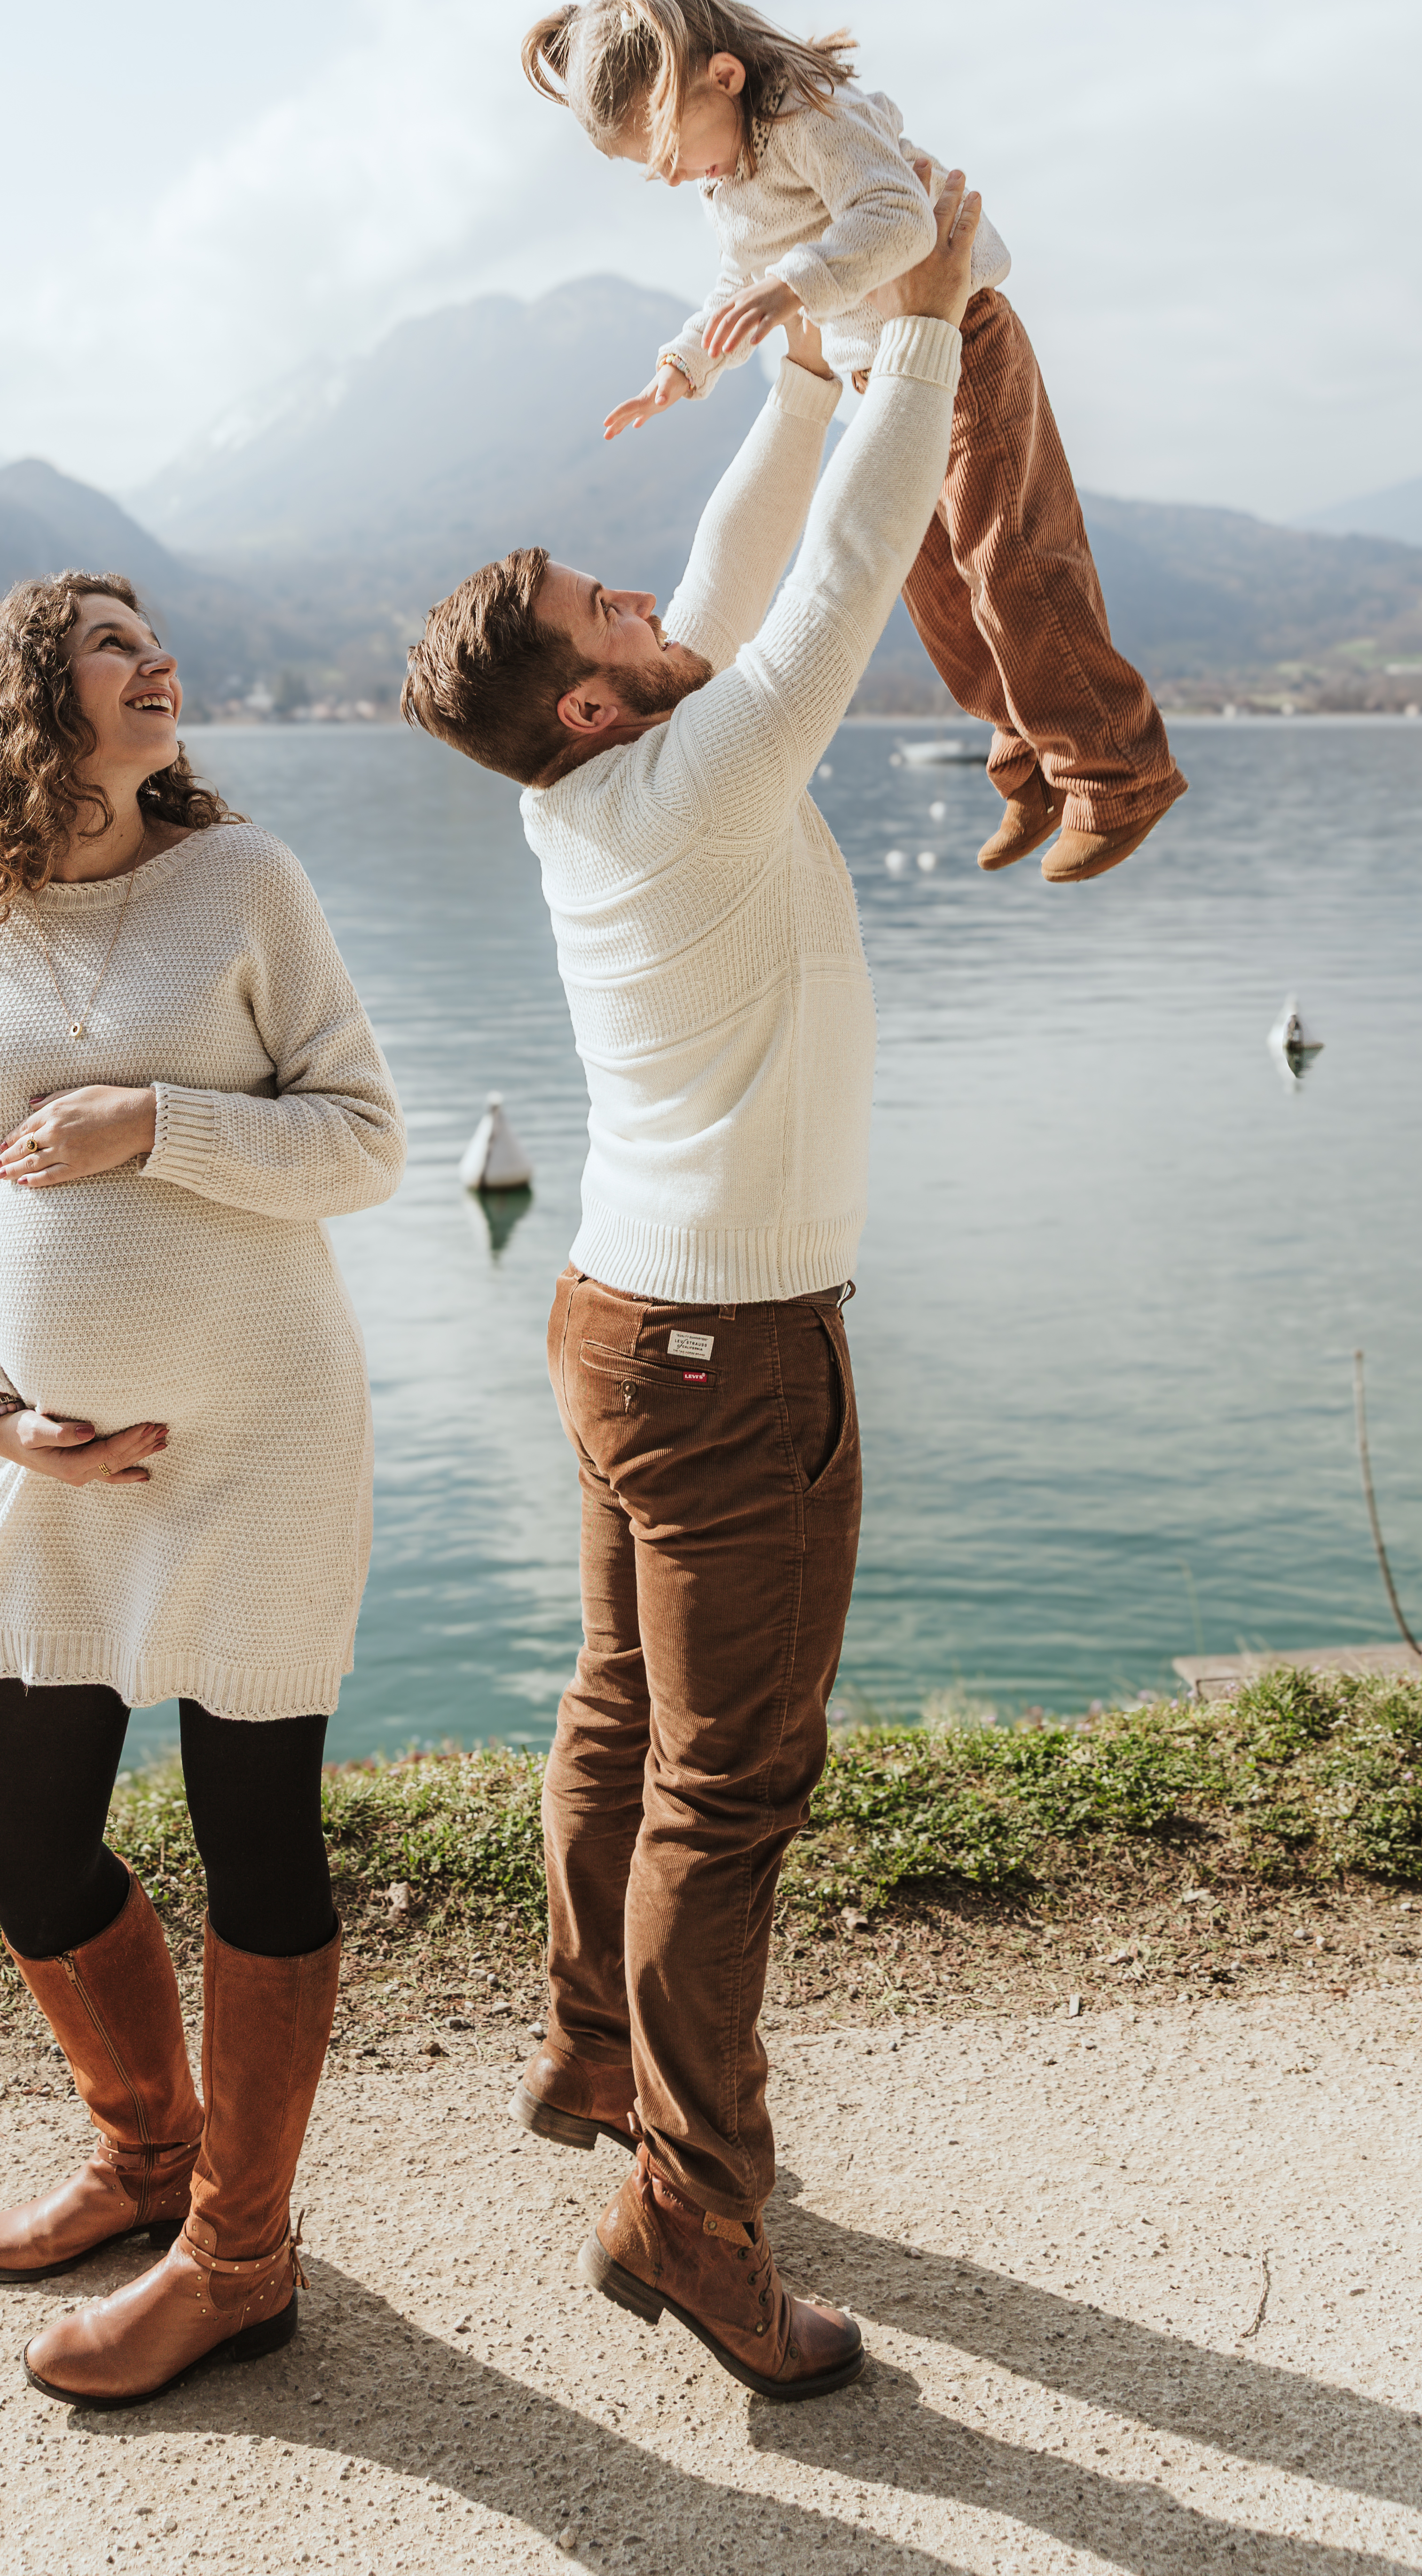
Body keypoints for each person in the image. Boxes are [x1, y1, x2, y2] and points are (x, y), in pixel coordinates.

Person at [400, 178, 986, 2405]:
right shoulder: (700, 775)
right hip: (732, 1351)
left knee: (615, 1715)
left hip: (617, 1319)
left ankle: (581, 2057)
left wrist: (801, 345)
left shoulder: (614, 774)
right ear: (583, 682)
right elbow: (841, 571)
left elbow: (744, 553)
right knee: (719, 1791)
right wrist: (910, 330)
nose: (643, 590)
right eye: (599, 596)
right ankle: (693, 2214)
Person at [0, 572, 404, 2407]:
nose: (154, 656)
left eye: (152, 634)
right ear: (31, 696)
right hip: (60, 1471)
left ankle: (239, 2261)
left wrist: (148, 1124)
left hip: (261, 1437)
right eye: (108, 640)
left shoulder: (244, 884)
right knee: (5, 1833)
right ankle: (144, 2151)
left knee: (254, 1833)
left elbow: (363, 1143)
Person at [523, 0, 1185, 881]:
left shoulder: (805, 116)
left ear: (724, 76)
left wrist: (794, 285)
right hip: (879, 378)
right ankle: (1028, 763)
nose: (676, 176)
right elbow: (736, 283)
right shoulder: (732, 181)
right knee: (935, 595)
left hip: (959, 339)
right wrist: (684, 364)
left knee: (1012, 564)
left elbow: (899, 218)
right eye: (656, 170)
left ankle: (1117, 774)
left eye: (671, 148)